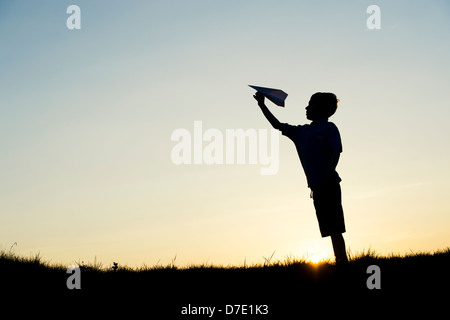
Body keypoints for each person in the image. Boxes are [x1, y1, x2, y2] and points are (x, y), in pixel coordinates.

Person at [254, 91, 348, 264]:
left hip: (330, 184)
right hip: (317, 187)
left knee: (335, 228)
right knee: (328, 227)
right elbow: (277, 125)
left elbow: (336, 150)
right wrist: (262, 105)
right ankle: (340, 262)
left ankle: (342, 262)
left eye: (310, 104)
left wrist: (329, 171)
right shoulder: (301, 132)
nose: (306, 107)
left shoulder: (329, 128)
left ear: (321, 108)